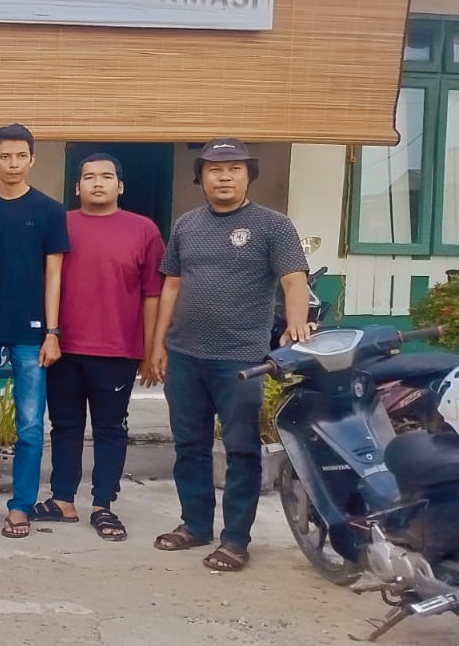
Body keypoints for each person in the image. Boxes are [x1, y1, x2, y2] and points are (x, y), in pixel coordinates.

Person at [148, 138, 311, 572]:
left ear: (248, 175)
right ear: (200, 177)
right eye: (215, 169)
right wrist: (158, 344)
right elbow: (171, 285)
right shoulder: (186, 225)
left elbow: (294, 279)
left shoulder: (272, 225)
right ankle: (195, 525)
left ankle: (236, 540)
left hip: (241, 360)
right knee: (190, 446)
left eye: (234, 169)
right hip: (184, 355)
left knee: (241, 450)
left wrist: (296, 325)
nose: (224, 177)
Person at [34, 153, 165, 542]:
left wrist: (149, 348)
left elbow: (153, 294)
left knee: (110, 428)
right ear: (77, 187)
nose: (97, 183)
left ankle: (103, 504)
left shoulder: (144, 230)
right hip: (64, 347)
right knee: (65, 425)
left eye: (106, 177)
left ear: (120, 186)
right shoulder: (60, 224)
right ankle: (62, 499)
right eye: (89, 177)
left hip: (117, 349)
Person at [0, 123, 69, 539]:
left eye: (20, 156)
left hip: (32, 333)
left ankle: (21, 505)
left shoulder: (49, 211)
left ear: (32, 160)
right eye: (4, 156)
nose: (13, 164)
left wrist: (52, 331)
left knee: (30, 424)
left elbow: (54, 275)